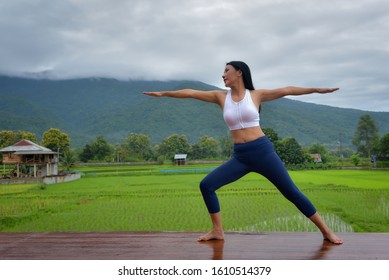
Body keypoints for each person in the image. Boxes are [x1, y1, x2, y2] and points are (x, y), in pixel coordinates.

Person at [144, 61, 343, 245]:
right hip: (241, 156)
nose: (223, 75)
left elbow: (287, 90)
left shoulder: (255, 95)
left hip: (263, 152)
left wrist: (317, 89)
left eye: (226, 71)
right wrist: (163, 94)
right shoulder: (220, 97)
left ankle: (326, 231)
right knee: (207, 185)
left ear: (239, 72)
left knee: (291, 192)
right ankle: (217, 230)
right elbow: (191, 92)